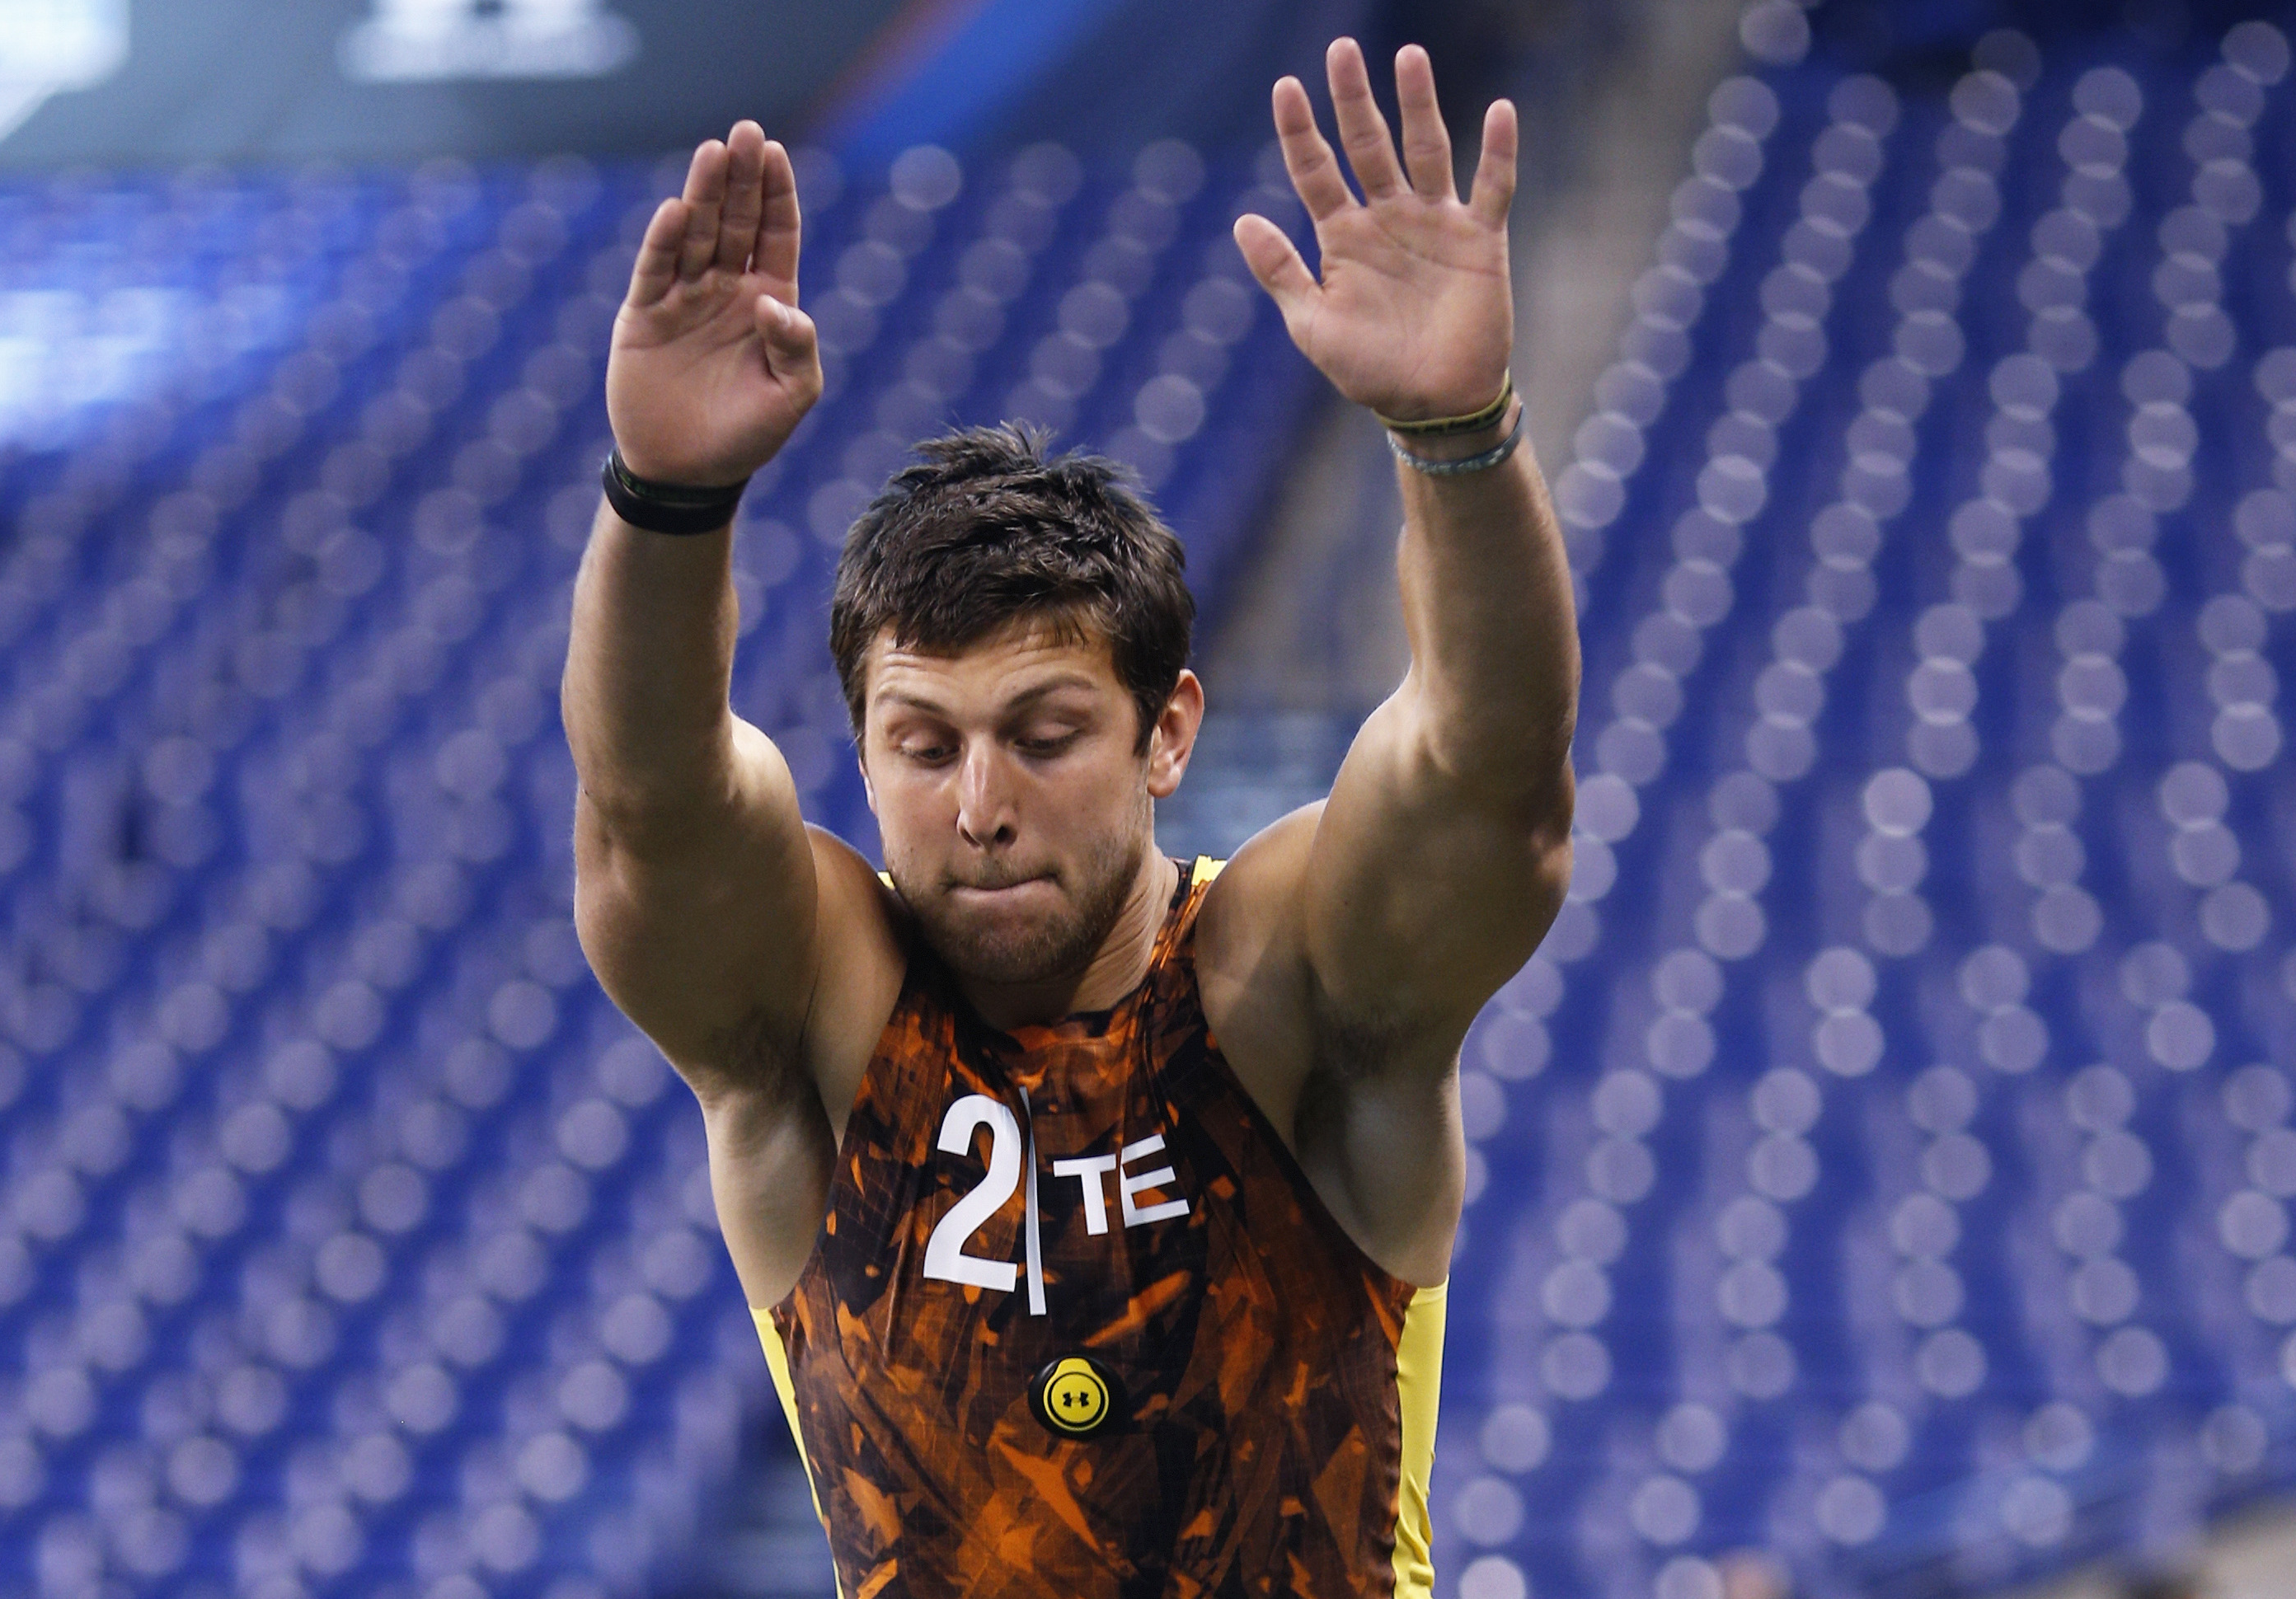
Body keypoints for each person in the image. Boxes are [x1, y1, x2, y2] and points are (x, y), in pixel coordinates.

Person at [564, 35, 1580, 1599]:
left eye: (1044, 736)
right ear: (862, 746)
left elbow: (1488, 785)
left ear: (1167, 731)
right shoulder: (824, 1012)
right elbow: (649, 811)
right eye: (921, 744)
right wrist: (667, 502)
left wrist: (1456, 443)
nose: (979, 808)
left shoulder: (1280, 976)